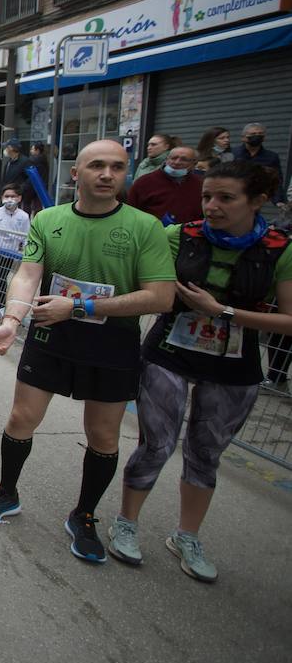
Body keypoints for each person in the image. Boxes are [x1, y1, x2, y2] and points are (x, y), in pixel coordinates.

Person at [0, 139, 176, 564]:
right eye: (97, 165)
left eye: (117, 167)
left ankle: (84, 514)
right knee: (21, 419)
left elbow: (159, 297)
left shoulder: (145, 227)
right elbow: (29, 274)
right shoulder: (48, 219)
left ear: (126, 174)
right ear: (75, 173)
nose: (107, 174)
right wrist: (11, 321)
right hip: (50, 335)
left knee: (102, 436)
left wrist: (82, 306)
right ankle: (6, 492)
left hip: (112, 343)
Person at [107, 162, 292, 582]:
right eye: (207, 196)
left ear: (258, 200)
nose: (211, 206)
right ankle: (126, 522)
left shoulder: (281, 248)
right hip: (170, 353)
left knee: (206, 452)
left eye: (226, 198)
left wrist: (223, 311)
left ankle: (186, 536)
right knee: (156, 443)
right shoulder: (178, 236)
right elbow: (148, 286)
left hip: (234, 365)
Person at [0, 184, 30, 319]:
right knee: (1, 278)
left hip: (11, 253)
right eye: (6, 196)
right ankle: (2, 308)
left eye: (13, 196)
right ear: (2, 198)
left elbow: (27, 235)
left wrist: (26, 250)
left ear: (19, 198)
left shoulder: (24, 216)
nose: (9, 199)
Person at [127, 145, 202, 224]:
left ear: (194, 163)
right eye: (173, 158)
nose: (177, 162)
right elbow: (130, 211)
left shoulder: (200, 184)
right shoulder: (144, 182)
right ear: (166, 160)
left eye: (184, 160)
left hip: (189, 234)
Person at [232, 122, 283, 193]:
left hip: (258, 196)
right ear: (243, 138)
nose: (257, 136)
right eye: (252, 134)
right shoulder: (232, 153)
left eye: (260, 134)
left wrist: (279, 201)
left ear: (264, 137)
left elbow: (277, 181)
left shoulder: (272, 157)